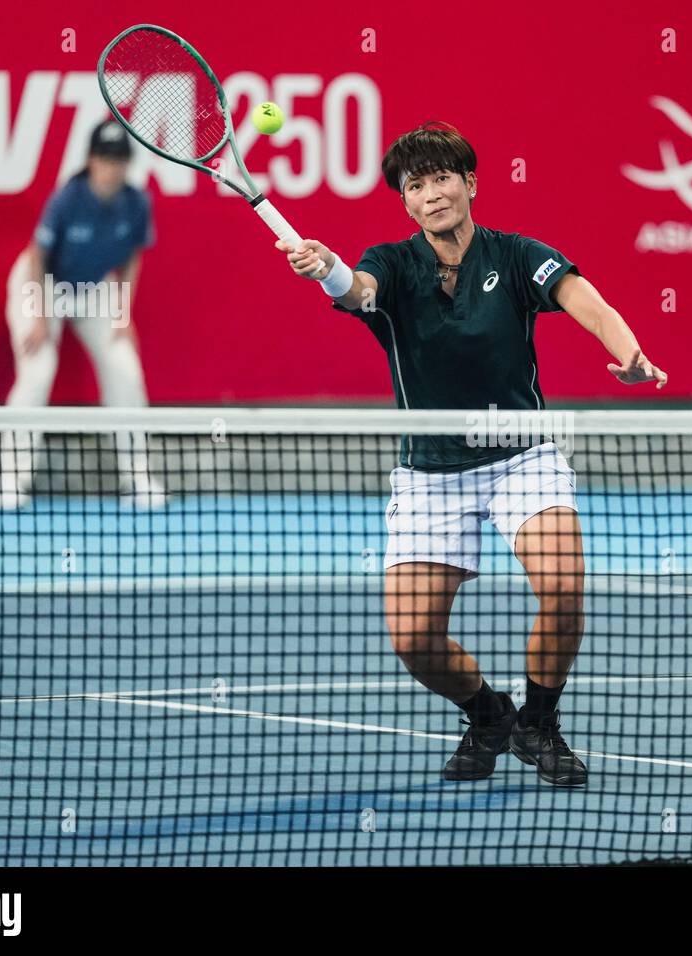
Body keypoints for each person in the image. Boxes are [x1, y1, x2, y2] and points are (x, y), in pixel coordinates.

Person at [277, 121, 667, 787]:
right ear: (405, 202)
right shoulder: (392, 265)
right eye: (416, 185)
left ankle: (539, 723)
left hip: (522, 456)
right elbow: (358, 292)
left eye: (442, 179)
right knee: (412, 640)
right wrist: (330, 270)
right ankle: (488, 713)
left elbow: (588, 302)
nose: (431, 194)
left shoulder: (517, 255)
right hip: (430, 473)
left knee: (565, 586)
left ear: (471, 183)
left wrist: (626, 352)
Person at [0, 119, 165, 509]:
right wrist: (38, 316)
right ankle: (11, 481)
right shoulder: (67, 199)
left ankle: (137, 476)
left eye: (120, 159)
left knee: (125, 370)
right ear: (90, 160)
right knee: (38, 370)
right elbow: (37, 257)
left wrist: (123, 312)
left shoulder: (137, 203)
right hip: (43, 283)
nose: (113, 167)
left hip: (94, 288)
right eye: (106, 158)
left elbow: (133, 258)